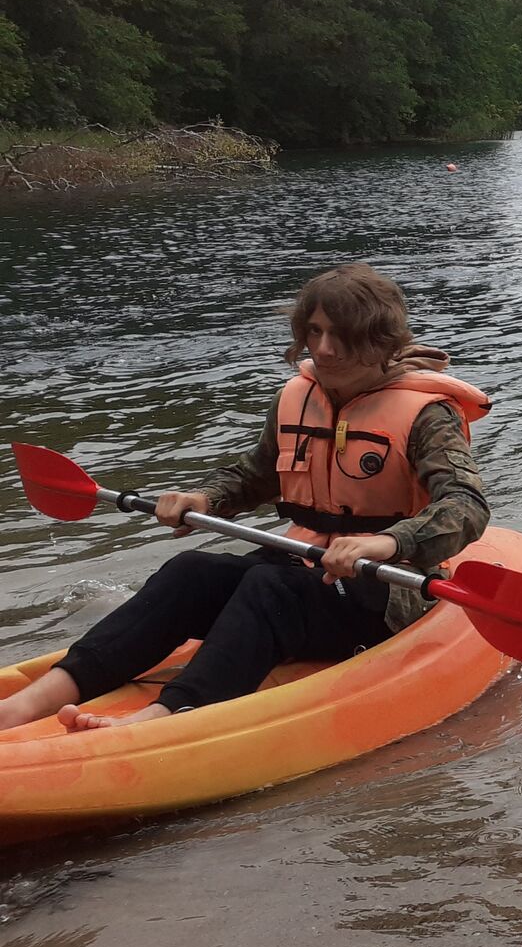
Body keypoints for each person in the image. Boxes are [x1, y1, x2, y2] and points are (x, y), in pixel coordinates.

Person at [0, 264, 490, 733]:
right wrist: (204, 499)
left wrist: (386, 542)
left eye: (341, 334)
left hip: (384, 588)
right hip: (303, 563)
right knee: (191, 570)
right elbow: (257, 475)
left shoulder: (429, 415)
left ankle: (167, 716)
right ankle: (30, 703)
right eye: (314, 331)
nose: (323, 348)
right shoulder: (298, 395)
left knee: (268, 585)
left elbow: (466, 505)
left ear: (379, 339)